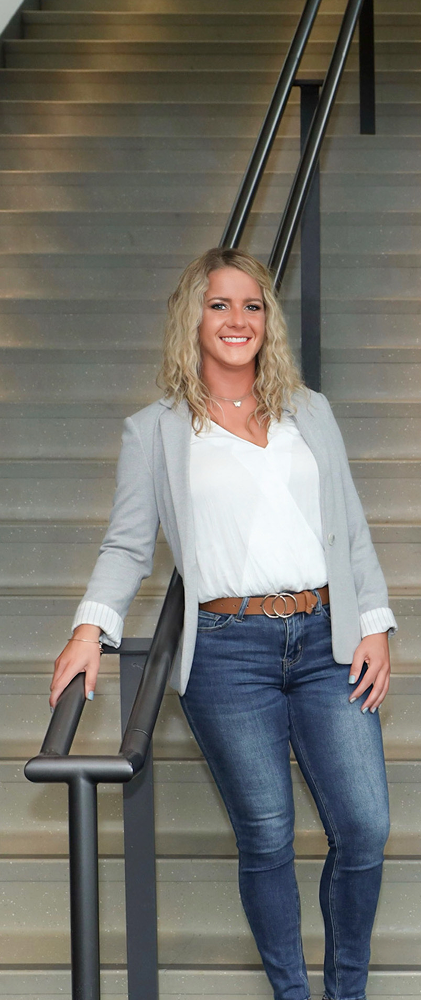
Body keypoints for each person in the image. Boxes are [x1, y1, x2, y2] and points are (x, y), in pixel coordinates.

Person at [49, 247, 396, 1000]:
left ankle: (348, 992)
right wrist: (90, 628)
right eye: (219, 304)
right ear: (192, 320)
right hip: (228, 655)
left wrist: (375, 621)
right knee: (268, 837)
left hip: (328, 640)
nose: (237, 319)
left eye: (253, 305)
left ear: (268, 322)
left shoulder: (313, 413)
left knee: (364, 828)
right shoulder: (156, 432)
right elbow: (128, 544)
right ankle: (291, 993)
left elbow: (351, 526)